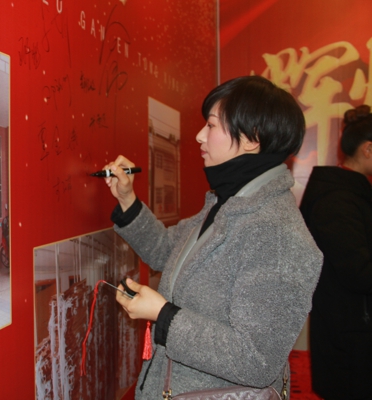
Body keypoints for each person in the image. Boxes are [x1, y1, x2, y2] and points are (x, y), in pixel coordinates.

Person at [103, 76, 322, 398]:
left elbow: (257, 360)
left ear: (252, 138)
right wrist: (127, 199)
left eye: (211, 125)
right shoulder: (228, 203)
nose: (199, 136)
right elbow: (166, 251)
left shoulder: (276, 234)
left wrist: (164, 316)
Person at [299, 104, 372, 400]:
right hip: (350, 339)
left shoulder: (355, 193)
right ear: (368, 149)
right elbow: (359, 272)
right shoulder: (337, 201)